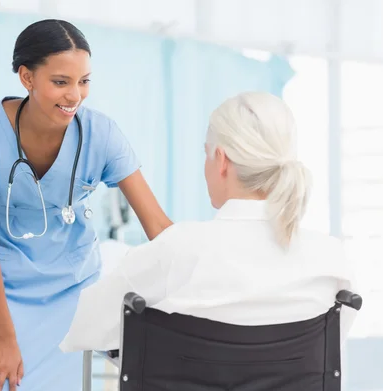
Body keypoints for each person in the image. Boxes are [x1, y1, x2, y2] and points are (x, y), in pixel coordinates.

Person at [0, 19, 172, 391]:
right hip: (4, 290)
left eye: (84, 81)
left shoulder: (101, 134)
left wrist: (205, 268)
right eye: (61, 81)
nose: (75, 95)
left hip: (72, 289)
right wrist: (4, 336)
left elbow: (158, 226)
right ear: (26, 77)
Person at [60, 91, 358, 354]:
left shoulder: (177, 250)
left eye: (206, 154)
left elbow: (83, 328)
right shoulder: (332, 260)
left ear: (222, 159)